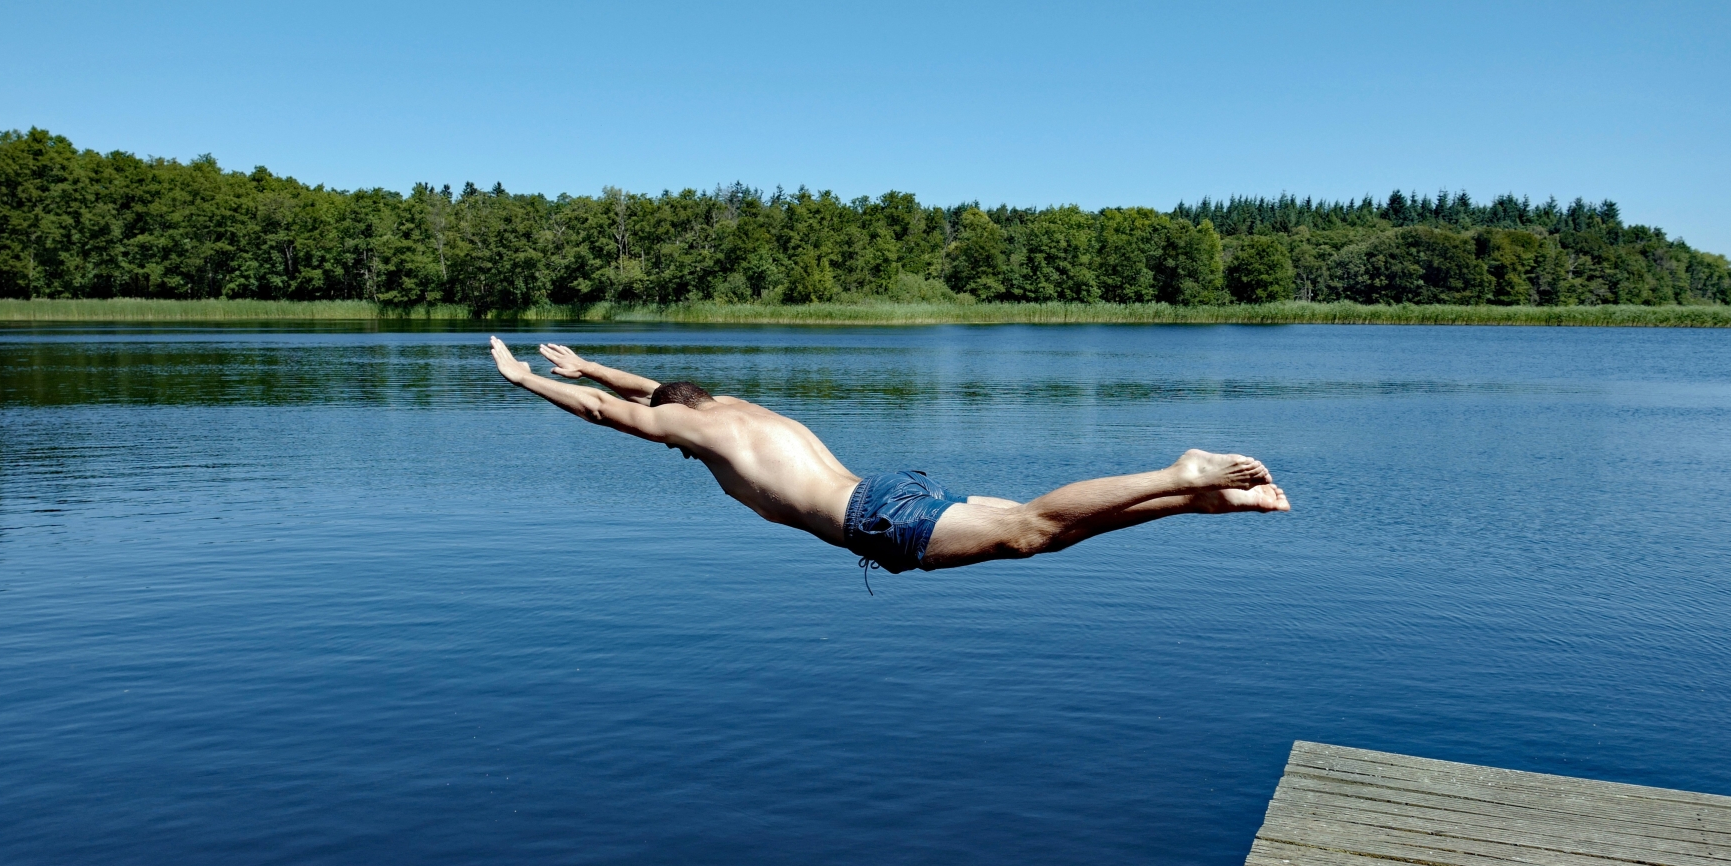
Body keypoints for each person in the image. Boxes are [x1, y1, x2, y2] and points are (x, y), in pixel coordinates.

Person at [489, 337, 1288, 582]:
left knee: (1033, 526)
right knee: (1042, 534)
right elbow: (649, 389)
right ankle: (1201, 501)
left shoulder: (698, 433)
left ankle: (1182, 474)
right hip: (886, 489)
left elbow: (611, 412)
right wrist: (592, 365)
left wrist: (527, 380)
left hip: (875, 520)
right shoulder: (728, 409)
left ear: (670, 423)